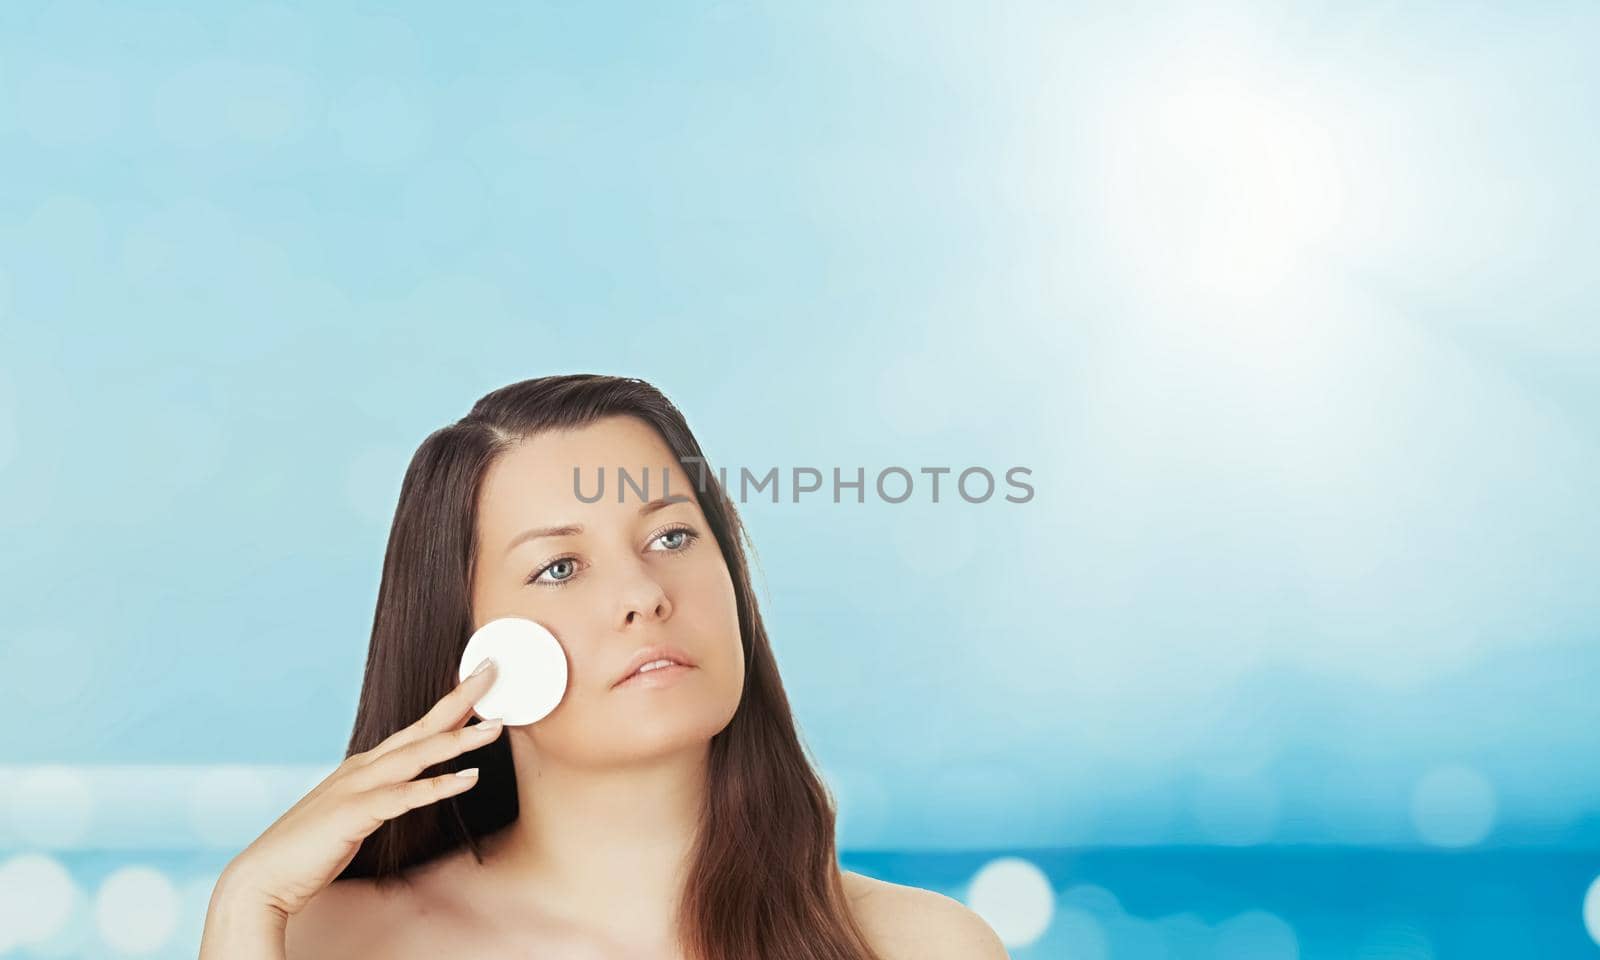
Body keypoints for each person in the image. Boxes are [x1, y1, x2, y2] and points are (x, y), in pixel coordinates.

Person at [198, 374, 1009, 959]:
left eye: (672, 537)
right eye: (559, 567)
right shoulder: (331, 942)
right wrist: (244, 903)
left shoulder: (921, 946)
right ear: (471, 647)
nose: (643, 594)